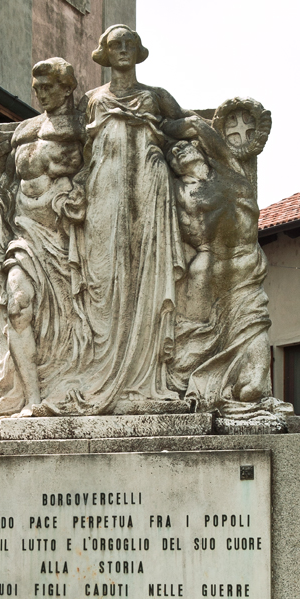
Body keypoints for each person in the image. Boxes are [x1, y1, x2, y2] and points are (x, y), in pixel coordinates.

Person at [0, 58, 89, 418]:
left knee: (74, 324)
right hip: (26, 237)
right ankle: (32, 399)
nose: (43, 94)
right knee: (18, 305)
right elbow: (4, 190)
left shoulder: (85, 127)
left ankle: (69, 387)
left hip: (69, 241)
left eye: (49, 87)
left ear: (67, 87)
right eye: (38, 88)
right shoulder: (24, 132)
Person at [77, 25, 195, 414]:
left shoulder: (155, 97)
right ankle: (100, 369)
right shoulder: (92, 100)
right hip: (103, 194)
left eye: (129, 44)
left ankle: (144, 374)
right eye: (116, 44)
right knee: (105, 278)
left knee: (144, 275)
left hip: (148, 189)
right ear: (105, 53)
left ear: (138, 51)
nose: (123, 49)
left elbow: (184, 127)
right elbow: (63, 138)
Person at [166, 108, 288, 419]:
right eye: (173, 153)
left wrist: (163, 122)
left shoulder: (230, 174)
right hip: (203, 272)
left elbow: (195, 125)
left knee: (252, 322)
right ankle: (186, 386)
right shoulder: (177, 192)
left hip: (242, 265)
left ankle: (255, 383)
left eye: (184, 147)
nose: (178, 151)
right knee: (189, 340)